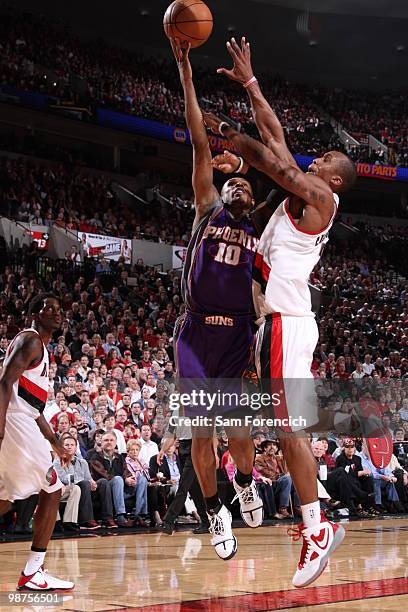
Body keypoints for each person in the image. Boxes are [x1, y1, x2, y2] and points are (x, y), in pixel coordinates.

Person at [204, 37, 357, 586]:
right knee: (281, 424)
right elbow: (278, 141)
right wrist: (251, 84)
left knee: (289, 428)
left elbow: (277, 163)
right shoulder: (305, 196)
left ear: (334, 180)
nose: (311, 164)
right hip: (282, 323)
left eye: (322, 163)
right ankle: (314, 520)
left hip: (286, 323)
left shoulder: (320, 198)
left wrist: (234, 138)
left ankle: (315, 527)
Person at [170, 38, 268, 562]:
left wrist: (253, 89)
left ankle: (247, 482)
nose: (238, 190)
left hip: (235, 333)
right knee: (200, 432)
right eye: (233, 185)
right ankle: (213, 511)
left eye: (246, 189)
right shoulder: (207, 205)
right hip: (194, 333)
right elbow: (197, 139)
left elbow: (277, 165)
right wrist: (185, 71)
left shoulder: (255, 225)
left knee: (238, 429)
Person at [0, 293, 74, 591]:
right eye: (49, 308)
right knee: (53, 487)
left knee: (6, 497)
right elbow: (4, 383)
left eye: (59, 308)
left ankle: (35, 570)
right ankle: (33, 571)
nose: (57, 313)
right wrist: (0, 429)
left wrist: (56, 442)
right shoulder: (30, 340)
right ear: (34, 313)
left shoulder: (39, 348)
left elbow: (34, 407)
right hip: (14, 424)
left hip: (22, 421)